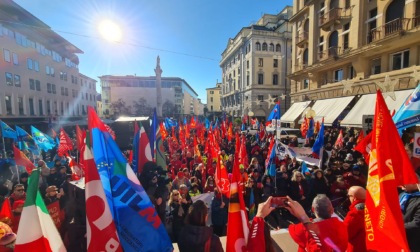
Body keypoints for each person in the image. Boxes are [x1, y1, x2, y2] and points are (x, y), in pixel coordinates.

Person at [400, 175, 420, 251]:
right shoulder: (402, 195)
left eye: (405, 180)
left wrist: (398, 228)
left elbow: (417, 223)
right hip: (400, 239)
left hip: (413, 242)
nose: (401, 183)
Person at [344, 186, 366, 252]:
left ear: (354, 198)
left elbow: (345, 235)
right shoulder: (374, 207)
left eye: (349, 196)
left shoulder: (354, 214)